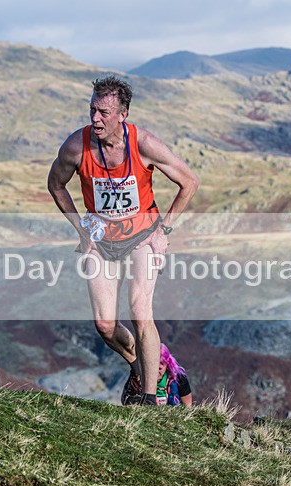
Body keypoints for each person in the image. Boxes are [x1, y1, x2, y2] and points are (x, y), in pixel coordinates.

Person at [48, 75, 199, 406]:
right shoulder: (77, 146)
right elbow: (56, 185)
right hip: (102, 242)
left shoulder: (143, 144)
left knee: (139, 311)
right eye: (92, 110)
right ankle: (139, 366)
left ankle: (149, 396)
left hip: (143, 237)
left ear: (122, 114)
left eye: (103, 112)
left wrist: (164, 230)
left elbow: (189, 181)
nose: (95, 118)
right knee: (104, 324)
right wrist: (80, 229)